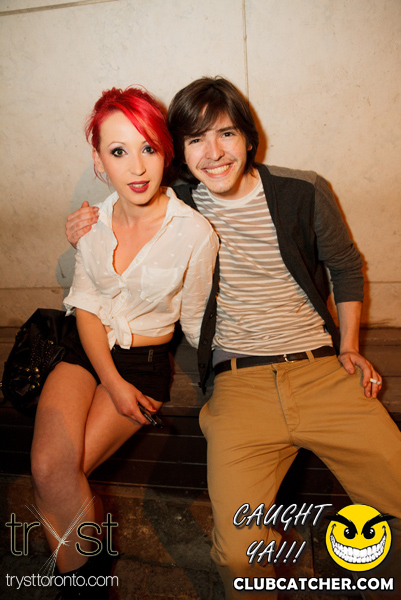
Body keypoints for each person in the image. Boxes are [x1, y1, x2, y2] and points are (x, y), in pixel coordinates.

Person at [65, 77, 401, 600]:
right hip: (238, 385)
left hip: (320, 370)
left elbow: (345, 266)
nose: (214, 153)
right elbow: (120, 211)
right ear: (180, 153)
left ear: (248, 137)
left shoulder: (302, 191)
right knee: (239, 554)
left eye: (226, 134)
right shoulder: (176, 202)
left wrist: (350, 346)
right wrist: (81, 227)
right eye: (196, 139)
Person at [31, 86, 218, 599]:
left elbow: (198, 321)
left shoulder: (194, 234)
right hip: (86, 348)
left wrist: (223, 382)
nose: (136, 167)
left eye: (148, 148)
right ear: (98, 160)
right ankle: (88, 580)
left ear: (166, 153)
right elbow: (87, 306)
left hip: (144, 365)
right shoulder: (92, 223)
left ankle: (81, 580)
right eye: (118, 151)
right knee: (48, 468)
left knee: (59, 477)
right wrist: (108, 381)